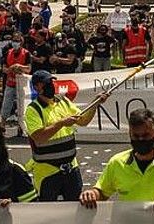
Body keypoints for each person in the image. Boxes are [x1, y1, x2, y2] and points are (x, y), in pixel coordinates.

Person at [80, 107, 154, 213]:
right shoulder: (117, 163)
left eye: (146, 135)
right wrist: (92, 194)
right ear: (129, 134)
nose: (141, 139)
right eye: (136, 136)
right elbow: (102, 193)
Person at [24, 69, 108, 202]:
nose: (51, 85)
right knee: (48, 209)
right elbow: (39, 138)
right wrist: (61, 123)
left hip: (71, 168)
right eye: (46, 83)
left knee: (75, 206)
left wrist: (95, 103)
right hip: (47, 171)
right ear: (37, 87)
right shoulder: (33, 110)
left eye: (51, 82)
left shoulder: (63, 101)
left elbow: (83, 120)